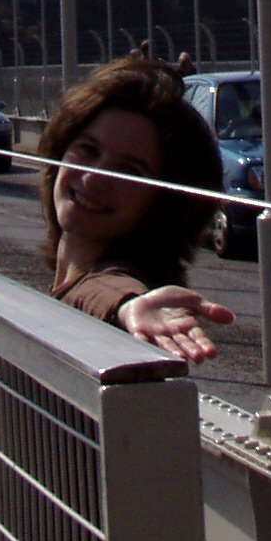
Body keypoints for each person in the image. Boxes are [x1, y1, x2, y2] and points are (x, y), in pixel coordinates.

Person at [39, 57, 233, 362]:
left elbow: (104, 289)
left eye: (129, 171)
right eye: (88, 150)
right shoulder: (69, 281)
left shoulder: (121, 287)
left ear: (163, 204)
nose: (93, 179)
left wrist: (128, 304)